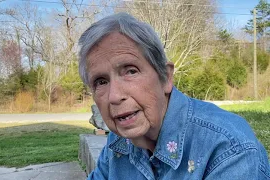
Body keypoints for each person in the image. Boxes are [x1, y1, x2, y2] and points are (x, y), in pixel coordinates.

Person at [78, 12, 270, 179]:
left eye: (130, 71)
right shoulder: (118, 142)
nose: (114, 96)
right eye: (101, 82)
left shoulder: (229, 150)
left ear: (166, 77)